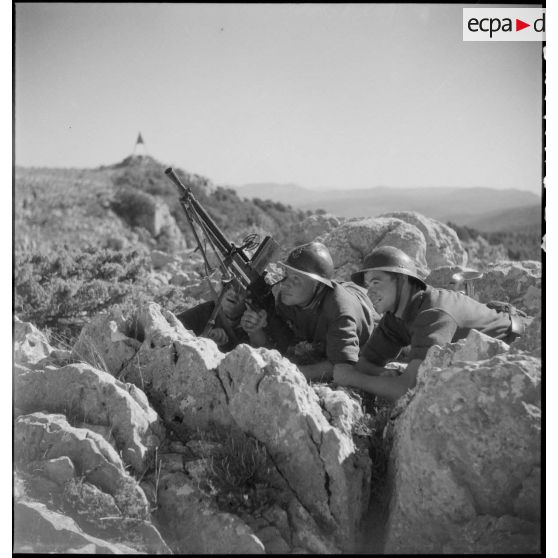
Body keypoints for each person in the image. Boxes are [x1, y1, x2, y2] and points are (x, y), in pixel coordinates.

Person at [333, 246, 525, 402]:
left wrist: (353, 378)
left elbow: (407, 389)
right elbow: (367, 363)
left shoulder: (433, 314)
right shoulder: (395, 315)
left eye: (376, 283)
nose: (369, 293)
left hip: (524, 345)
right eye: (367, 285)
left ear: (402, 280)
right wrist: (382, 373)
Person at [240, 241, 375, 382]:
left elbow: (341, 366)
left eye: (296, 279)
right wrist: (256, 330)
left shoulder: (340, 313)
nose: (285, 283)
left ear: (318, 284)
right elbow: (283, 345)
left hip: (363, 307)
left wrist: (294, 373)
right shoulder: (288, 299)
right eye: (286, 274)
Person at [176, 283, 251, 351]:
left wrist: (256, 333)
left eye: (242, 290)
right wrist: (204, 340)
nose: (234, 293)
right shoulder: (206, 311)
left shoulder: (254, 324)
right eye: (229, 285)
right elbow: (173, 330)